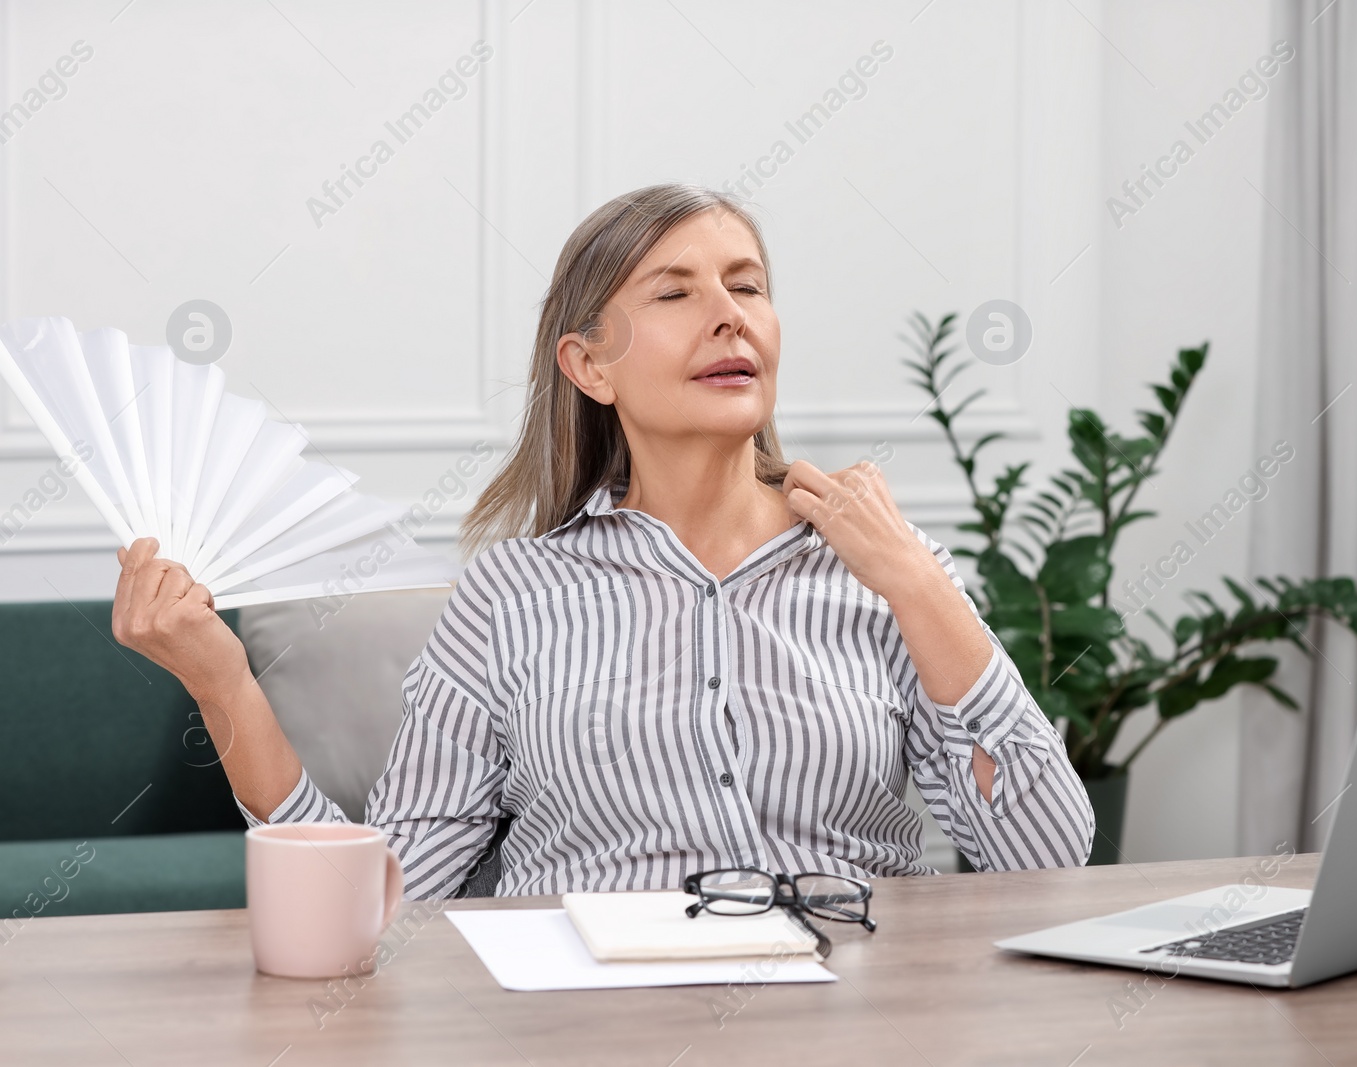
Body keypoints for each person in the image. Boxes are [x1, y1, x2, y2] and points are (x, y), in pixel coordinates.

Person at [112, 182, 1094, 898]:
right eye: (674, 294)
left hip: (853, 1015)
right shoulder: (512, 593)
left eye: (746, 287)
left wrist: (918, 584)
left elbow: (1046, 857)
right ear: (588, 365)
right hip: (586, 1020)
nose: (727, 316)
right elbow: (387, 895)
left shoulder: (887, 569)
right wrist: (223, 683)